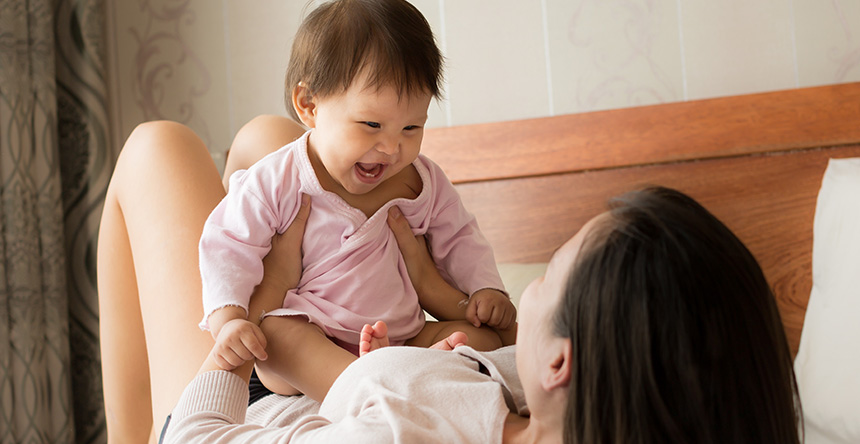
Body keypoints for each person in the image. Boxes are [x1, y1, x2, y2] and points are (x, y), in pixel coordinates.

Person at [98, 117, 802, 442]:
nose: (524, 296)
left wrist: (249, 316)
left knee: (156, 148)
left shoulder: (409, 429)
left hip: (238, 398)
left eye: (547, 275)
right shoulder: (563, 405)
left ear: (564, 359)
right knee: (269, 140)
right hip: (335, 366)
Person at [199, 0, 516, 403]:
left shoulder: (422, 182)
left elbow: (460, 239)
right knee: (275, 335)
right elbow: (228, 243)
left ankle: (401, 372)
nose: (391, 148)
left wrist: (485, 290)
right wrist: (229, 321)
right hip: (314, 330)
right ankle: (369, 386)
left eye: (411, 129)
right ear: (309, 104)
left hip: (402, 335)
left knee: (482, 339)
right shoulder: (278, 179)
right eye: (371, 124)